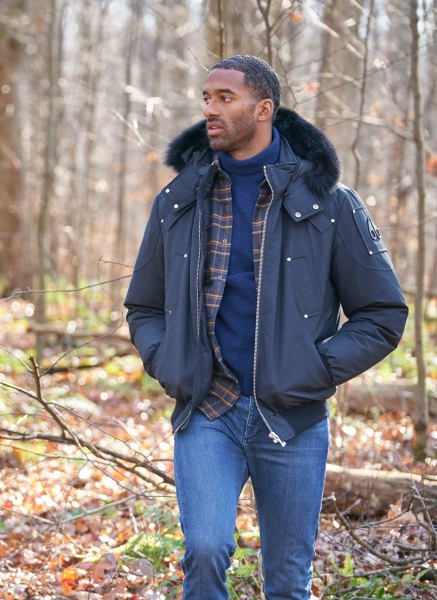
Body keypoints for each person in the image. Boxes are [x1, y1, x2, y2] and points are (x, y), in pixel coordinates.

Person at [124, 55, 407, 599]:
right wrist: (168, 363)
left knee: (286, 579)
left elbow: (383, 313)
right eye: (206, 97)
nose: (210, 109)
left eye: (224, 98)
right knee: (205, 550)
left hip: (292, 416)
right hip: (208, 408)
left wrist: (314, 369)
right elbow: (144, 306)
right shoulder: (177, 201)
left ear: (264, 108)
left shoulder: (329, 204)